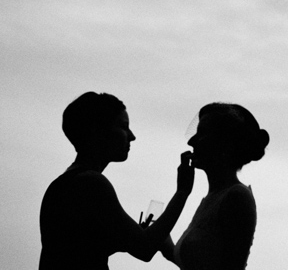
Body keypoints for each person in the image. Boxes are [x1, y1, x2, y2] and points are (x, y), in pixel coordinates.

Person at [40, 92, 194, 270]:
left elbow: (81, 248)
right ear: (97, 131)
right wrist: (182, 192)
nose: (132, 136)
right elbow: (144, 248)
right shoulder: (92, 183)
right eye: (123, 126)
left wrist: (135, 235)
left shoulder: (62, 185)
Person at [163, 103, 269, 270]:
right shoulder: (213, 198)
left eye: (202, 133)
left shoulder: (236, 197)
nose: (191, 141)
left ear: (224, 143)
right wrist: (168, 248)